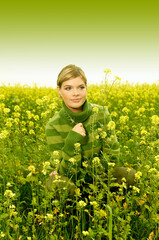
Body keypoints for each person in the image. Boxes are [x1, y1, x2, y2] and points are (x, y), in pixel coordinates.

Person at [45, 64, 135, 195]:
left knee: (131, 175)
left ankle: (109, 203)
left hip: (101, 176)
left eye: (81, 87)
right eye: (68, 88)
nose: (76, 93)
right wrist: (71, 142)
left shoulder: (101, 113)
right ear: (59, 90)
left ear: (86, 88)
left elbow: (113, 155)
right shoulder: (53, 125)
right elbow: (66, 172)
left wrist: (93, 179)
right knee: (55, 184)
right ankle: (73, 212)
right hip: (73, 180)